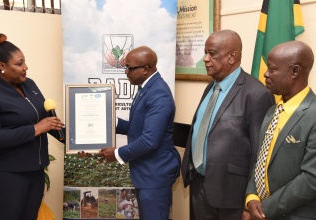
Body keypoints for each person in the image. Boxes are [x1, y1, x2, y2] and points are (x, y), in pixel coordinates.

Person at [180, 29, 275, 220]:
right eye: (205, 52)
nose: (205, 59)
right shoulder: (211, 86)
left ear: (232, 57)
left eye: (212, 53)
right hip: (200, 185)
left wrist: (249, 202)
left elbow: (260, 155)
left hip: (232, 198)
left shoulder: (256, 94)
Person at [100, 46, 181, 220]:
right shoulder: (146, 88)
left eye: (129, 68)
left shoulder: (158, 94)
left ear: (145, 69)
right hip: (146, 173)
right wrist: (111, 122)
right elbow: (139, 127)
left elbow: (149, 140)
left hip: (155, 175)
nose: (125, 72)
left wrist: (116, 154)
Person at [0, 33, 64, 220]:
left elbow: (47, 119)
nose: (26, 67)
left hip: (36, 172)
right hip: (7, 175)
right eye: (19, 63)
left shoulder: (29, 83)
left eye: (25, 62)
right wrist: (35, 129)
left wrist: (75, 140)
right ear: (2, 66)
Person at [245, 41, 316, 220]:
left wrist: (265, 209)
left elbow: (310, 179)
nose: (265, 73)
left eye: (273, 69)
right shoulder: (272, 111)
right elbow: (259, 159)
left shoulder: (313, 115)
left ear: (295, 71)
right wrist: (252, 196)